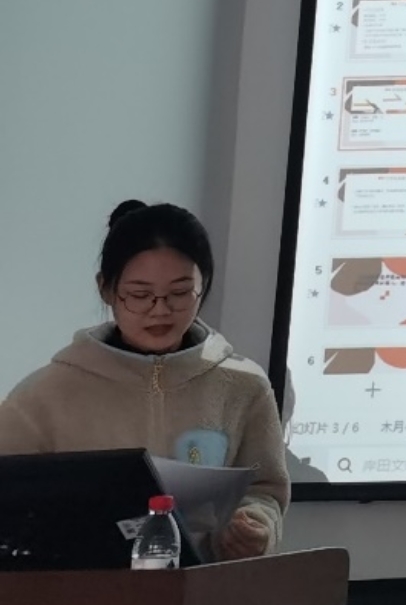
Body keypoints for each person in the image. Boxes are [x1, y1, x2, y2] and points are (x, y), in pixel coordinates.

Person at [0, 200, 290, 561]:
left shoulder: (243, 386)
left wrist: (255, 526)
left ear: (203, 285)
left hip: (204, 585)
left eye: (180, 293)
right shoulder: (44, 396)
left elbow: (265, 490)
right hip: (81, 585)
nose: (160, 309)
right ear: (106, 289)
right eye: (139, 295)